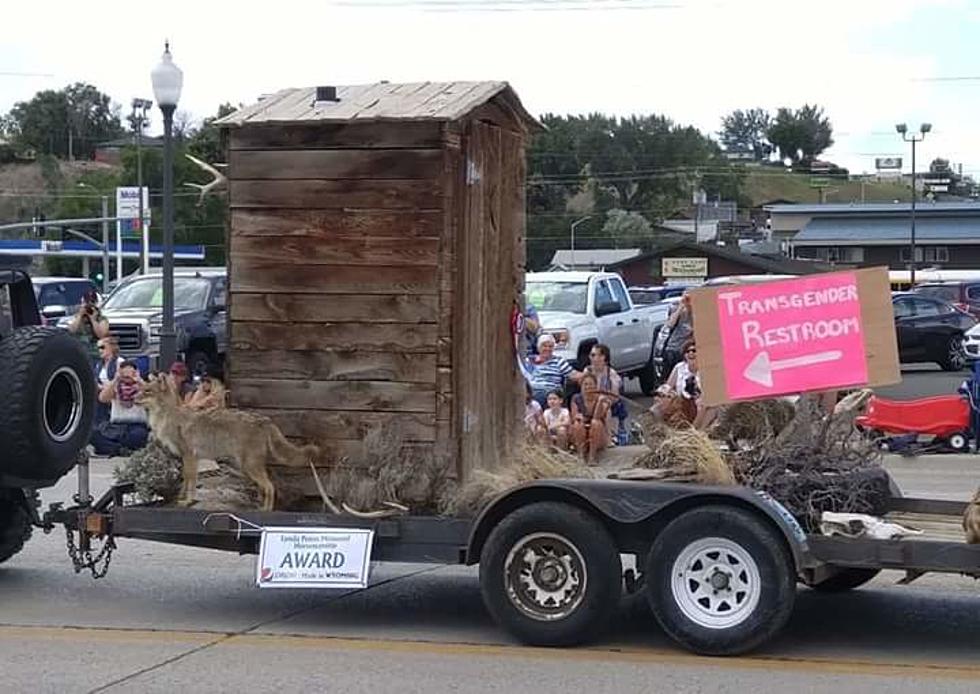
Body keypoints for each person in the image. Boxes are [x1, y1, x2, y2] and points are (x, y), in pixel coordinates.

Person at [90, 360, 149, 456]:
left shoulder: (141, 388)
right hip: (116, 427)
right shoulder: (115, 387)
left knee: (139, 436)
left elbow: (154, 394)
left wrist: (138, 380)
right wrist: (116, 379)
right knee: (93, 434)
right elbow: (102, 398)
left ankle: (113, 448)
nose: (127, 378)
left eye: (130, 374)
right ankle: (119, 449)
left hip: (136, 426)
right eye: (124, 374)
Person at [654, 340, 716, 430]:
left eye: (694, 350)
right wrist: (661, 392)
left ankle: (695, 432)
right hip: (682, 402)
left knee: (706, 406)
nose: (691, 353)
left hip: (701, 403)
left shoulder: (706, 369)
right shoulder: (679, 367)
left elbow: (712, 391)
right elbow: (668, 386)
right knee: (658, 405)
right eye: (687, 351)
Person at [583, 343, 626, 441]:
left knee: (605, 406)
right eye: (591, 355)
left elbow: (615, 397)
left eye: (594, 355)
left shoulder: (611, 373)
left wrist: (602, 398)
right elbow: (584, 390)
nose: (591, 358)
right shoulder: (587, 370)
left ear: (603, 357)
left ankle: (608, 437)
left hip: (606, 402)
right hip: (590, 401)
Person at [527, 334, 581, 407]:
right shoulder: (529, 360)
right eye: (544, 346)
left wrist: (588, 372)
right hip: (531, 391)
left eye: (550, 346)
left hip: (549, 393)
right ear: (538, 347)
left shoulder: (558, 361)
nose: (548, 349)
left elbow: (573, 375)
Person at [570, 372, 613, 464]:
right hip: (582, 433)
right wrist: (579, 418)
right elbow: (574, 416)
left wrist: (599, 403)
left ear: (595, 386)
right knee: (578, 424)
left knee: (595, 423)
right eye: (585, 384)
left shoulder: (601, 399)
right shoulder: (576, 398)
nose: (588, 387)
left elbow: (597, 416)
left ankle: (592, 456)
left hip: (599, 435)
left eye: (591, 384)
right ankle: (580, 454)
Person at [68, 289, 110, 360]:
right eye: (87, 302)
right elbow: (72, 331)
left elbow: (101, 335)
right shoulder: (78, 317)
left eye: (92, 302)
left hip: (95, 352)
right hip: (80, 351)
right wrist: (80, 315)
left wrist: (93, 320)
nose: (90, 304)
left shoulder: (101, 319)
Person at [94, 337, 124, 425]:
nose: (100, 350)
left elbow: (120, 380)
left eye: (102, 347)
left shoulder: (119, 362)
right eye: (98, 348)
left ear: (111, 348)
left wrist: (106, 388)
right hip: (102, 391)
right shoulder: (99, 365)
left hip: (116, 391)